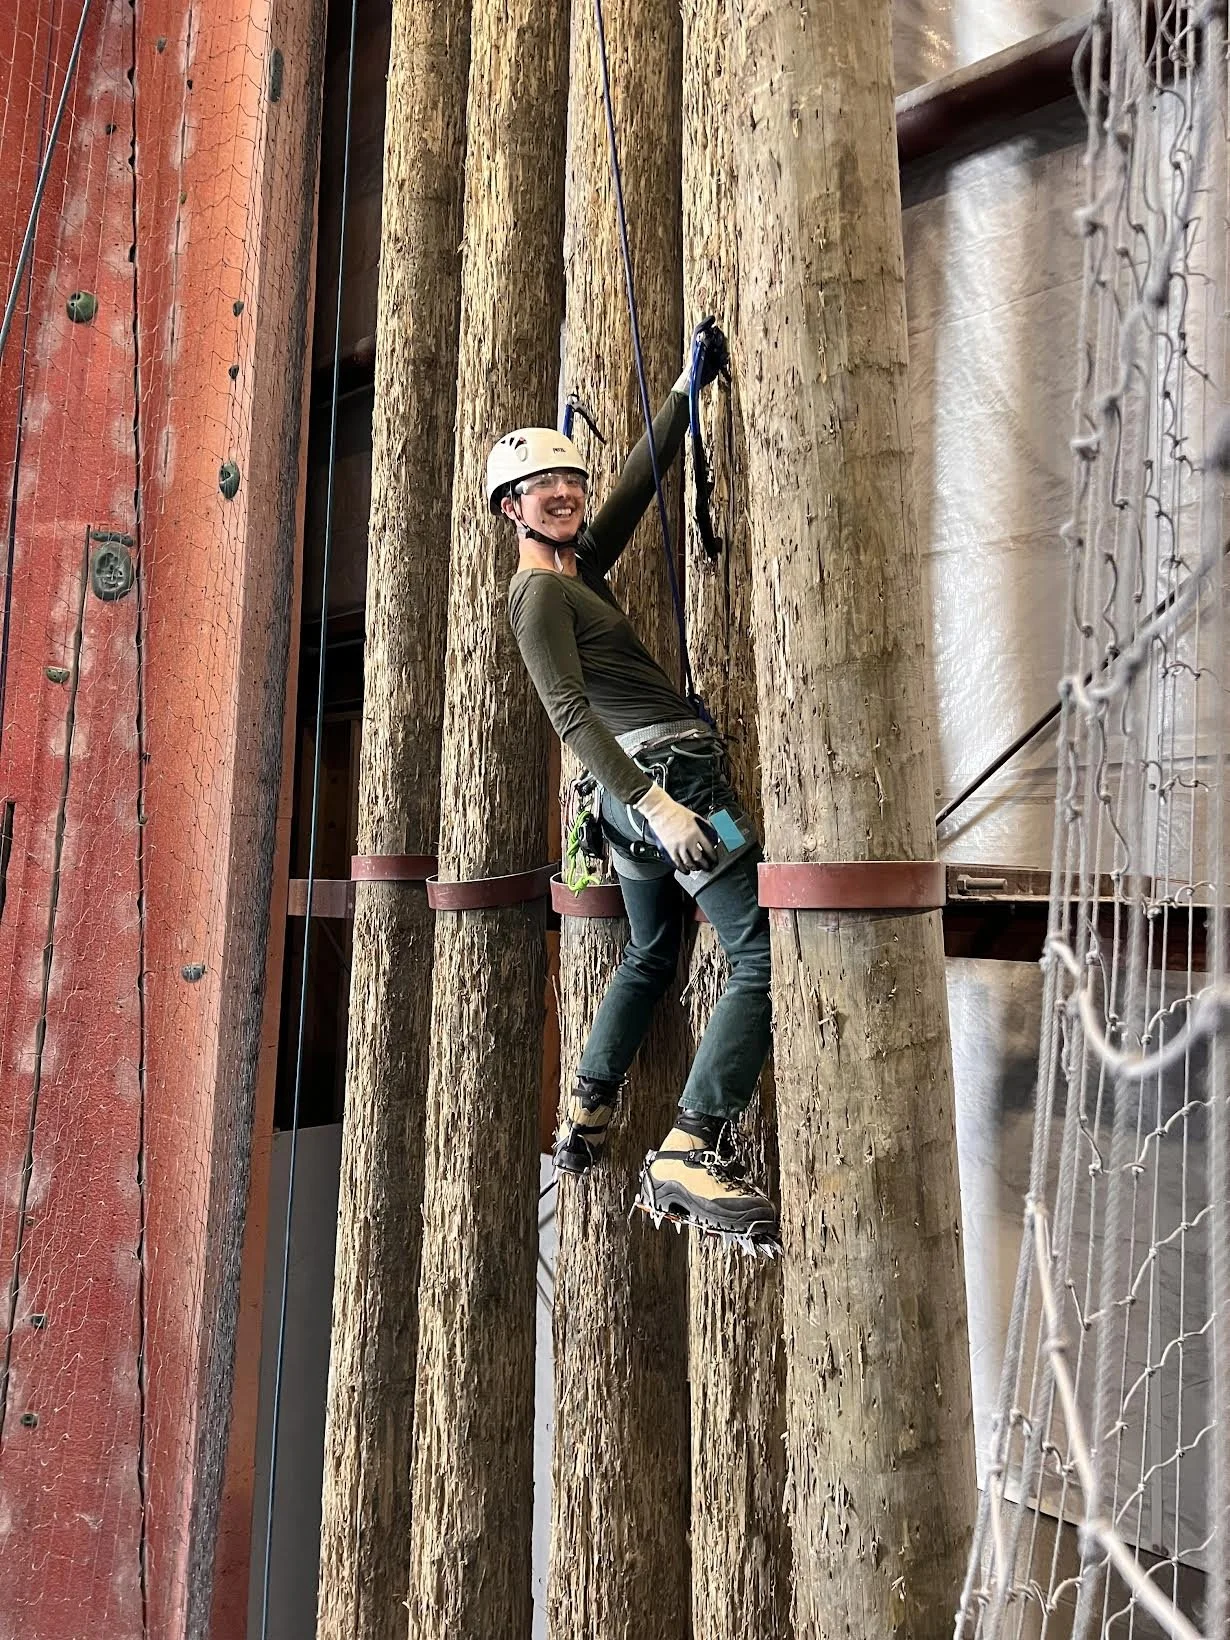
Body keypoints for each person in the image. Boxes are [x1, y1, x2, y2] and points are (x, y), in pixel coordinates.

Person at [486, 330, 778, 1247]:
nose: (565, 494)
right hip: (666, 784)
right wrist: (661, 804)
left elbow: (632, 489)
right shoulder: (537, 597)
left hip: (634, 802)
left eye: (569, 481)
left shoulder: (577, 569)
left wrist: (686, 390)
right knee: (759, 954)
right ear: (510, 508)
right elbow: (569, 717)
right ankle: (689, 1147)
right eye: (544, 487)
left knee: (651, 952)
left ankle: (588, 1109)